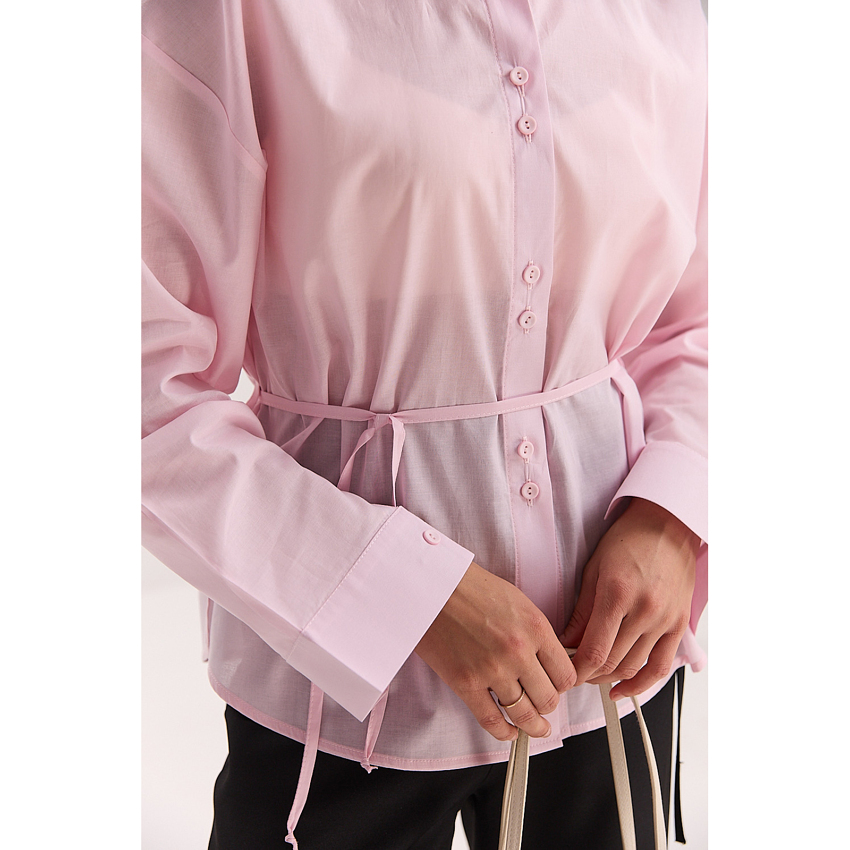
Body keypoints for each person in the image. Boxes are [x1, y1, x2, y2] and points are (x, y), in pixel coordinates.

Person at [141, 1, 708, 847]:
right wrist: (407, 597)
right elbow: (143, 395)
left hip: (614, 673)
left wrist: (672, 516)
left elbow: (702, 312)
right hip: (340, 698)